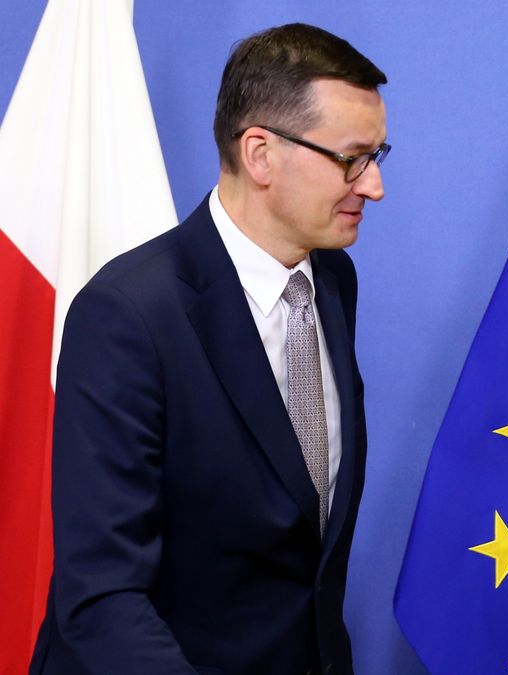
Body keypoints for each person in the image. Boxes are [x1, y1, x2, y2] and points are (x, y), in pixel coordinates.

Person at [30, 23, 388, 675]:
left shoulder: (333, 279)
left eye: (377, 157)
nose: (373, 186)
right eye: (351, 159)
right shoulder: (128, 315)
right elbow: (103, 597)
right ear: (260, 154)